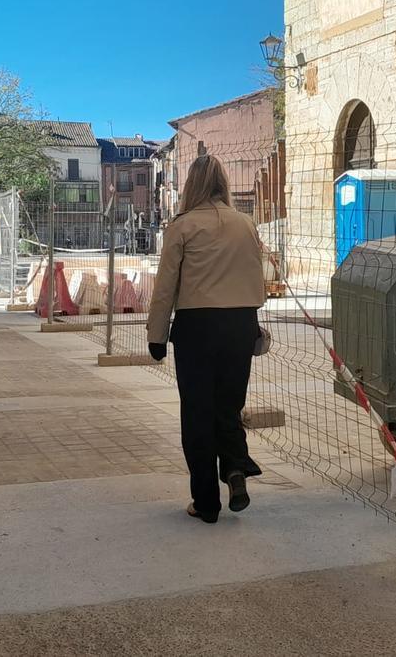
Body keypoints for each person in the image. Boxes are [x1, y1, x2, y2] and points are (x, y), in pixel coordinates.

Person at [147, 155, 266, 524]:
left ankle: (206, 502)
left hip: (197, 328)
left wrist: (156, 335)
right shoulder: (246, 224)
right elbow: (255, 279)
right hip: (240, 325)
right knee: (228, 407)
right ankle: (234, 466)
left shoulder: (182, 227)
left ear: (191, 185)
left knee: (197, 413)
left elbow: (166, 286)